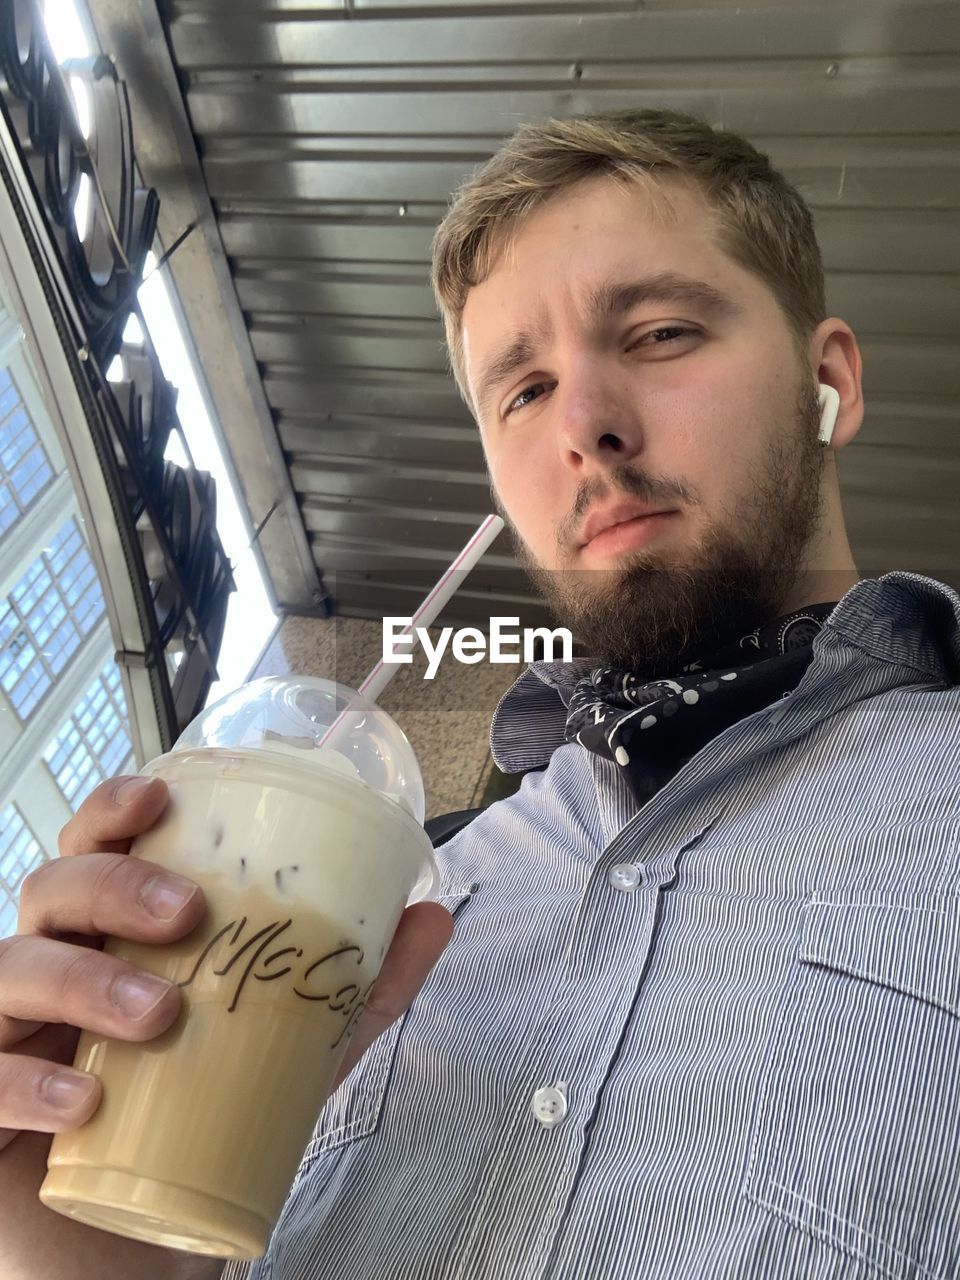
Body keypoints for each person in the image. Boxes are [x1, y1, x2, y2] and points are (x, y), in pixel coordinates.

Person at [2, 107, 958, 1280]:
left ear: (829, 380)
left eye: (659, 332)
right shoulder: (403, 887)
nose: (586, 426)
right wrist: (80, 1245)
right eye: (522, 390)